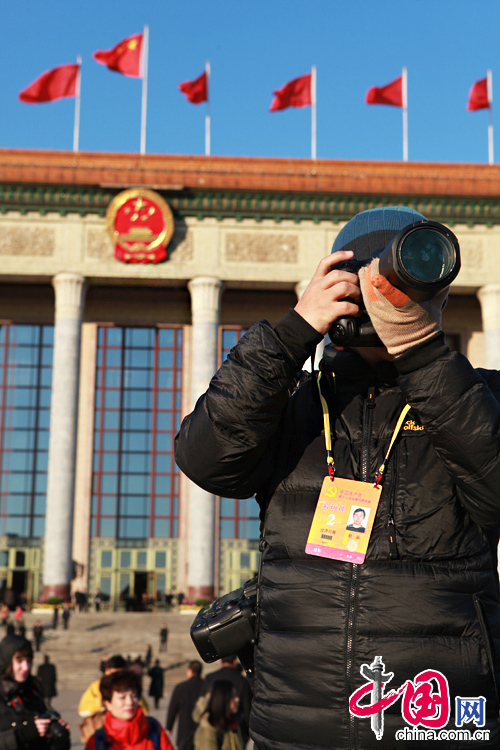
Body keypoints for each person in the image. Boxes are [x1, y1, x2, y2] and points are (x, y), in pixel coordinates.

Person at [175, 206, 500, 749]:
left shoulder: (475, 399)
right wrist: (290, 335)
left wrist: (421, 352)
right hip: (298, 722)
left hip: (437, 719)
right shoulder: (295, 405)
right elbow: (206, 458)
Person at [0, 634, 70, 749]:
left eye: (29, 661)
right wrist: (23, 734)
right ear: (7, 662)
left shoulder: (33, 692)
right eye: (19, 661)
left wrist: (59, 740)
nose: (26, 667)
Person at [84, 670, 173, 750]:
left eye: (133, 696)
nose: (130, 702)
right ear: (107, 703)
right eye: (122, 697)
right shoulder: (97, 742)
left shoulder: (154, 729)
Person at [79, 654, 150, 743]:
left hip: (131, 733)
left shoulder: (131, 687)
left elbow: (145, 710)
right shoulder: (96, 686)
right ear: (107, 670)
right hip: (103, 730)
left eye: (120, 675)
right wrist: (101, 704)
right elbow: (83, 710)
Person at [202, 656, 252, 745]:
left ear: (221, 662)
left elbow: (204, 701)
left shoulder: (210, 678)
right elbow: (247, 707)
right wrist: (248, 730)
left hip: (214, 721)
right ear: (234, 662)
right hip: (236, 728)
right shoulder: (242, 681)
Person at [193, 680, 244, 750]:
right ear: (222, 699)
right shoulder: (208, 730)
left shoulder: (232, 724)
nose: (237, 699)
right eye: (233, 696)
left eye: (236, 695)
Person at [166, 660, 204, 748]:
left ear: (190, 671)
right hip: (201, 730)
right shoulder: (206, 685)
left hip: (184, 730)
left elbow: (173, 708)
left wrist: (169, 727)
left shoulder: (180, 687)